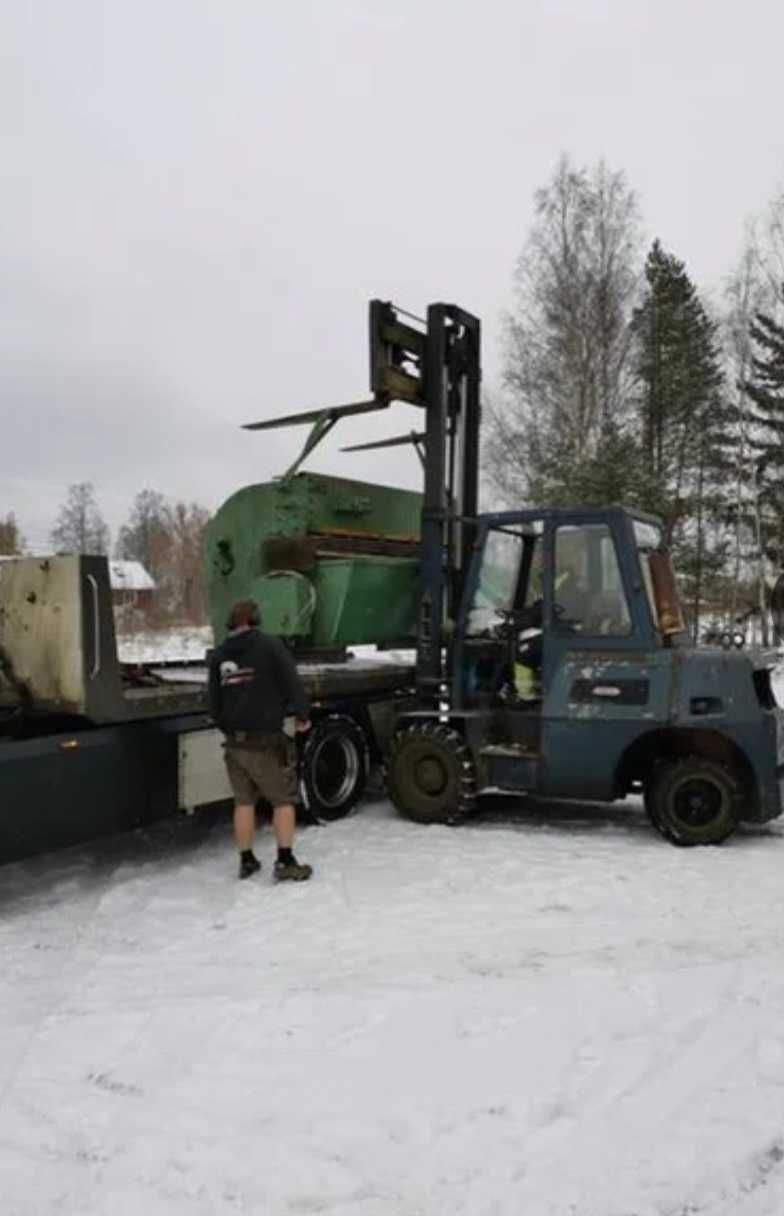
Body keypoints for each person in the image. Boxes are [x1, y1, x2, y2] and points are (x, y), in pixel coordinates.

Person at [207, 599, 313, 882]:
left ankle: (246, 860)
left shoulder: (218, 655)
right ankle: (285, 860)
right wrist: (303, 714)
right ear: (255, 620)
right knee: (282, 801)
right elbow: (291, 682)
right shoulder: (270, 646)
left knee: (243, 803)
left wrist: (228, 728)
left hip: (235, 744)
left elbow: (213, 704)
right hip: (265, 741)